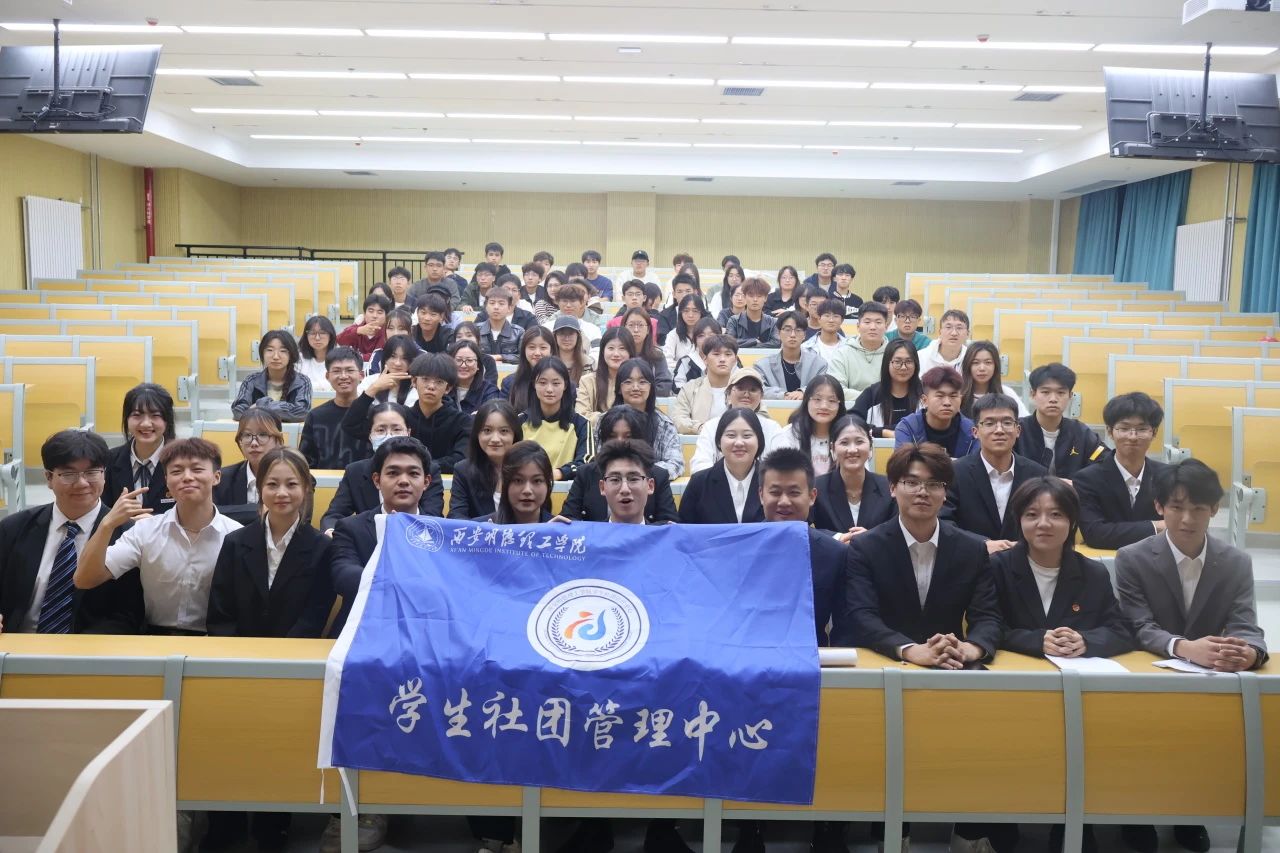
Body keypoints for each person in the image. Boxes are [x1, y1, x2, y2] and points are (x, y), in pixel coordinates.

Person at [1115, 459, 1267, 853]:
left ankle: (1189, 812)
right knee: (1140, 743)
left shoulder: (1235, 562)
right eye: (1177, 507)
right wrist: (1184, 647)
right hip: (1146, 673)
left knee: (1200, 740)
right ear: (1159, 507)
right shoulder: (1131, 557)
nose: (1187, 519)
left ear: (1214, 509)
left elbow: (1246, 623)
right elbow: (1137, 625)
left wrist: (1248, 653)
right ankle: (1136, 815)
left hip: (1205, 680)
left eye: (1198, 508)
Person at [989, 476, 1132, 853]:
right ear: (1019, 520)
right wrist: (1036, 640)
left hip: (1075, 696)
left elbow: (1121, 630)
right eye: (1032, 514)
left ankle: (1072, 823)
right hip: (1014, 693)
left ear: (1072, 521)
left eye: (1056, 514)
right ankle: (1001, 817)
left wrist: (1087, 641)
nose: (1044, 524)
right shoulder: (998, 567)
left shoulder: (1092, 572)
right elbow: (987, 626)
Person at [838, 441, 1000, 661]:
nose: (923, 492)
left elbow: (987, 617)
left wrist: (971, 649)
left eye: (934, 484)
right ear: (892, 488)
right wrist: (909, 650)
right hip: (886, 662)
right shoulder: (866, 547)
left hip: (951, 662)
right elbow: (862, 616)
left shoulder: (972, 549)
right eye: (912, 482)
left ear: (945, 492)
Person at [75, 438, 241, 635]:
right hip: (153, 637)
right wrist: (107, 524)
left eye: (197, 469)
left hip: (215, 639)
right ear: (167, 482)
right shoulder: (145, 530)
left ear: (216, 477)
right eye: (177, 471)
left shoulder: (236, 535)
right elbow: (84, 579)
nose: (187, 477)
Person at [0, 430, 126, 634]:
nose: (82, 483)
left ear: (104, 475)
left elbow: (128, 616)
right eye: (68, 474)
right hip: (18, 644)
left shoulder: (127, 533)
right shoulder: (13, 528)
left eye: (92, 472)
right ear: (49, 478)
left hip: (92, 648)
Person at [207, 447, 335, 640]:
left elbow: (315, 615)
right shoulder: (235, 542)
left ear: (306, 488)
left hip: (295, 652)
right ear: (260, 488)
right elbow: (220, 611)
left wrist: (283, 653)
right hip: (236, 651)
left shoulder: (322, 547)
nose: (281, 493)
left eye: (292, 484)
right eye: (272, 484)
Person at [942, 394, 1049, 553]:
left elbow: (1046, 521)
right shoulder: (955, 472)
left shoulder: (1037, 474)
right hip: (971, 561)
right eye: (989, 423)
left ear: (1018, 430)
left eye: (1007, 423)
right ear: (975, 432)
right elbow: (943, 522)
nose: (999, 430)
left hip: (1022, 560)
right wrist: (982, 544)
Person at [321, 402, 444, 534]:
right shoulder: (355, 471)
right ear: (370, 435)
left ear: (408, 432)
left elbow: (433, 516)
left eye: (396, 429)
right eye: (381, 430)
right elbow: (334, 515)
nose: (388, 436)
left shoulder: (428, 469)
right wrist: (332, 532)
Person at [341, 352, 470, 475]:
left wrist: (415, 467)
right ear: (414, 382)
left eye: (439, 382)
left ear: (448, 388)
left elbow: (460, 459)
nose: (431, 386)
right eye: (425, 379)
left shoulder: (463, 422)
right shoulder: (400, 417)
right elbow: (351, 425)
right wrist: (373, 389)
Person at [1073, 392, 1169, 550]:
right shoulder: (1087, 479)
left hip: (1156, 559)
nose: (1133, 437)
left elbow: (1178, 528)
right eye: (1124, 428)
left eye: (1142, 429)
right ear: (1110, 431)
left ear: (1154, 432)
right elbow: (1095, 534)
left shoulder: (1167, 476)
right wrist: (1156, 526)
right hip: (1104, 559)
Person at [564, 406, 679, 524]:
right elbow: (568, 519)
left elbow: (669, 523)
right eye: (612, 437)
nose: (620, 442)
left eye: (628, 437)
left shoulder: (658, 475)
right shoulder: (586, 473)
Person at [679, 408, 768, 524]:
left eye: (747, 436)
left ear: (759, 440)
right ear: (718, 441)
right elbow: (684, 528)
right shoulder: (699, 482)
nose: (739, 443)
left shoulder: (772, 481)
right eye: (731, 435)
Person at [812, 416, 895, 541]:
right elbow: (801, 528)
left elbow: (899, 530)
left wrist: (873, 537)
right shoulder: (817, 487)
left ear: (870, 447)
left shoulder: (888, 487)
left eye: (859, 442)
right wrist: (837, 538)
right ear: (832, 449)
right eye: (844, 443)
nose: (852, 450)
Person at [1014, 362, 1102, 479]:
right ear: (1033, 394)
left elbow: (1102, 459)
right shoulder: (1017, 430)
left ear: (1070, 396)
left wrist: (1079, 483)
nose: (1053, 399)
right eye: (1045, 392)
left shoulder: (1081, 432)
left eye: (1061, 393)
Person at [689, 369, 782, 473]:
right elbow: (700, 464)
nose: (746, 394)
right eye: (740, 388)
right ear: (728, 394)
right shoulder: (711, 427)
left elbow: (782, 465)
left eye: (753, 389)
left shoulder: (772, 428)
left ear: (761, 396)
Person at [104, 383, 176, 513]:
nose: (146, 424)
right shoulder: (109, 460)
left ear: (167, 420)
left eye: (155, 415)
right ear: (126, 419)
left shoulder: (182, 460)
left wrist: (154, 521)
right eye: (137, 415)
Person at [449, 401, 523, 520]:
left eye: (504, 431)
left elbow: (539, 517)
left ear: (515, 434)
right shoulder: (463, 471)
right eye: (487, 430)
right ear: (477, 434)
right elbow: (457, 518)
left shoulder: (527, 469)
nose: (495, 439)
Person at [520, 357, 588, 483]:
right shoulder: (519, 422)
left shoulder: (581, 424)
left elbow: (586, 462)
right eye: (542, 383)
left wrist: (559, 473)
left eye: (556, 383)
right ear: (534, 385)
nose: (549, 389)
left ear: (565, 385)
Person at [615, 358, 683, 478]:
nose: (635, 387)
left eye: (642, 382)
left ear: (651, 387)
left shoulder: (664, 424)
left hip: (652, 485)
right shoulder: (606, 421)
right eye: (628, 382)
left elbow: (675, 464)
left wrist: (639, 474)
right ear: (619, 388)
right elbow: (600, 462)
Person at [299, 348, 366, 470]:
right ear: (327, 376)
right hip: (322, 481)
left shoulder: (373, 414)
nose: (343, 376)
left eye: (350, 370)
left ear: (361, 375)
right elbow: (305, 461)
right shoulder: (316, 416)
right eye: (336, 371)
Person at [766, 375, 846, 477]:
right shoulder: (788, 435)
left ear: (840, 404)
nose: (824, 406)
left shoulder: (847, 435)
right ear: (807, 400)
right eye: (817, 399)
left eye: (831, 401)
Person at [213, 410, 284, 521]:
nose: (254, 443)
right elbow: (210, 514)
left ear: (278, 440)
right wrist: (259, 511)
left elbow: (297, 519)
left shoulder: (296, 478)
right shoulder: (222, 478)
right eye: (247, 435)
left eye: (263, 434)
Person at [894, 366, 978, 457]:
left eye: (953, 396)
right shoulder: (908, 427)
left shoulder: (972, 430)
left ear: (961, 399)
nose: (947, 403)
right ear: (924, 400)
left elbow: (977, 464)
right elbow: (902, 463)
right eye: (940, 396)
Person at [231, 330, 312, 422]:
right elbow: (238, 411)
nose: (276, 356)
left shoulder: (302, 382)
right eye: (270, 350)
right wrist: (279, 410)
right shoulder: (251, 380)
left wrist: (261, 405)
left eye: (283, 351)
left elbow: (302, 412)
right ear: (262, 353)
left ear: (291, 355)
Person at [851, 338, 921, 439]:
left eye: (909, 361)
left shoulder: (925, 393)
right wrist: (883, 432)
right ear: (887, 363)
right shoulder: (872, 394)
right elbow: (852, 422)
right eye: (897, 362)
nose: (903, 367)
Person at [754, 311, 829, 401]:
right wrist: (783, 395)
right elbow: (759, 390)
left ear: (804, 335)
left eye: (798, 330)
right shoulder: (762, 366)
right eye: (787, 330)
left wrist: (804, 392)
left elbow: (822, 388)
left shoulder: (819, 364)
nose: (792, 335)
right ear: (779, 333)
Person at [671, 334, 737, 434]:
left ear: (735, 360)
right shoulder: (689, 389)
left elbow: (759, 415)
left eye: (728, 354)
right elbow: (678, 419)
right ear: (705, 360)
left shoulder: (745, 388)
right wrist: (699, 428)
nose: (722, 359)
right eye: (716, 354)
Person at [485, 441, 557, 524]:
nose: (527, 490)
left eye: (537, 481)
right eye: (518, 480)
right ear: (505, 484)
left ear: (548, 484)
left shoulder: (559, 529)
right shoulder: (481, 528)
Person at [576, 327, 638, 425]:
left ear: (630, 352)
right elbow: (581, 415)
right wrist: (613, 418)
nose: (616, 354)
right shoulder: (588, 381)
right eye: (611, 348)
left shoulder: (638, 382)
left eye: (622, 348)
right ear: (603, 351)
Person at [825, 301, 889, 394]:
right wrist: (867, 398)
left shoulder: (893, 354)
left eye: (878, 322)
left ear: (886, 326)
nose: (873, 327)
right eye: (867, 322)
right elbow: (836, 389)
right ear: (858, 326)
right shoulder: (842, 354)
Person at [959, 341, 1028, 419]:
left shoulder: (1006, 393)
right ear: (967, 365)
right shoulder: (958, 393)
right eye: (975, 363)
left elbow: (1024, 420)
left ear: (996, 366)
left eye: (988, 362)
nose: (982, 368)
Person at [619, 306, 675, 395]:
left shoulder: (657, 356)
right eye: (631, 325)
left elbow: (664, 387)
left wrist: (640, 395)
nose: (636, 330)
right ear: (623, 327)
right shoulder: (618, 355)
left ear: (648, 329)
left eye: (640, 325)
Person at [357, 335, 421, 408]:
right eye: (393, 356)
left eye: (404, 358)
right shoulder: (370, 381)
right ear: (385, 358)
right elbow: (356, 409)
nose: (397, 363)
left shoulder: (416, 386)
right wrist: (375, 387)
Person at [502, 326, 556, 413]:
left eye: (543, 348)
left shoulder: (562, 382)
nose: (537, 353)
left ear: (551, 350)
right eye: (532, 347)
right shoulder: (510, 383)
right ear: (524, 350)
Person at [449, 339, 501, 417]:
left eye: (469, 360)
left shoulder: (489, 391)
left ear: (478, 365)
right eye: (458, 360)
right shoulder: (443, 389)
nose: (463, 365)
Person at [725, 277, 780, 348]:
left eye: (759, 296)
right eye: (751, 296)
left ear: (765, 298)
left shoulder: (773, 322)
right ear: (745, 297)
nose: (755, 299)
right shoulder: (734, 321)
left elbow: (776, 343)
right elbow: (729, 342)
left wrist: (753, 346)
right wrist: (753, 341)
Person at [338, 292, 392, 364]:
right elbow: (339, 340)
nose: (374, 316)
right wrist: (358, 330)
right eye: (371, 311)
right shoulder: (357, 328)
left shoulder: (389, 332)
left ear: (386, 316)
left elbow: (382, 355)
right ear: (364, 313)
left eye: (379, 312)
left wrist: (356, 357)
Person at [662, 293, 710, 372]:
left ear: (701, 312)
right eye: (686, 311)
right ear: (680, 312)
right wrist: (686, 367)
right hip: (678, 375)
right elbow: (666, 361)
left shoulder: (708, 334)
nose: (690, 315)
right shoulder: (673, 335)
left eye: (695, 311)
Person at [477, 284, 523, 365]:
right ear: (486, 307)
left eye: (501, 303)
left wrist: (500, 357)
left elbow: (523, 357)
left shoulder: (519, 332)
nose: (496, 307)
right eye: (492, 303)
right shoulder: (475, 330)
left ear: (509, 308)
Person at [672, 316, 721, 392]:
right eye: (701, 336)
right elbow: (678, 387)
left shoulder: (729, 359)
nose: (706, 339)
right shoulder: (685, 362)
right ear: (695, 340)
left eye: (711, 335)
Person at [918, 308, 969, 376]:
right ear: (940, 332)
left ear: (967, 334)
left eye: (959, 328)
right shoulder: (921, 357)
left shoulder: (971, 359)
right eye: (948, 327)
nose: (954, 333)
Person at [549, 315, 594, 387]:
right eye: (562, 333)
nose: (567, 338)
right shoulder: (546, 363)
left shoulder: (589, 364)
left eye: (571, 333)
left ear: (578, 336)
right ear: (555, 336)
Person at [298, 315, 339, 392]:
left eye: (322, 333)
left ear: (330, 335)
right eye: (312, 333)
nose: (317, 338)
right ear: (306, 336)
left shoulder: (341, 358)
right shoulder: (298, 359)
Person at [801, 297, 847, 365]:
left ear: (842, 320)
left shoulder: (849, 347)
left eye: (836, 316)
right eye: (827, 316)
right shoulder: (806, 348)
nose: (831, 320)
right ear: (819, 319)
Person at [369, 310, 415, 375]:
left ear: (410, 331)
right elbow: (370, 378)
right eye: (390, 328)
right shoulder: (378, 354)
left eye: (401, 329)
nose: (395, 333)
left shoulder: (420, 354)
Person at [656, 274, 699, 342]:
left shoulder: (704, 314)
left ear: (695, 292)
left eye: (688, 291)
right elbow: (662, 340)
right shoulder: (665, 315)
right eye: (680, 291)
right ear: (674, 294)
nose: (684, 295)